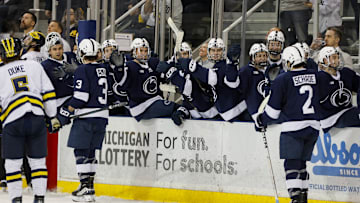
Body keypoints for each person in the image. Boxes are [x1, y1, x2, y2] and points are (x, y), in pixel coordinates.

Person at [257, 46, 320, 203]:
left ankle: (295, 199)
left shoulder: (282, 79)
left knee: (291, 164)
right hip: (313, 128)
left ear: (289, 61)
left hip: (293, 128)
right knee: (301, 164)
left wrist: (261, 120)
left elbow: (273, 113)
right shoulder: (315, 75)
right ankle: (303, 196)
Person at [0, 37, 60, 203]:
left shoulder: (0, 72)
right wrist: (52, 116)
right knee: (38, 162)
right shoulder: (34, 66)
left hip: (13, 121)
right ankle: (39, 198)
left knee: (12, 164)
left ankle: (16, 199)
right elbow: (48, 93)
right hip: (36, 117)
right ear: (20, 51)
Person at [56, 39, 109, 202]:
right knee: (91, 152)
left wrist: (66, 110)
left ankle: (85, 186)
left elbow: (81, 97)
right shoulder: (103, 69)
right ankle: (89, 187)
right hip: (102, 117)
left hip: (87, 116)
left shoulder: (82, 70)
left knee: (80, 151)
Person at [110, 38, 189, 125]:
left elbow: (163, 76)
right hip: (141, 106)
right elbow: (122, 83)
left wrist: (173, 64)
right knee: (178, 109)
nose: (143, 53)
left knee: (179, 110)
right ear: (134, 52)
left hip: (155, 100)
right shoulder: (130, 66)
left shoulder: (152, 62)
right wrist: (119, 69)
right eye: (141, 51)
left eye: (145, 50)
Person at [179, 38, 247, 121]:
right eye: (213, 50)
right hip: (227, 114)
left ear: (223, 51)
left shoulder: (226, 66)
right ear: (209, 51)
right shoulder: (216, 66)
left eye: (218, 50)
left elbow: (228, 81)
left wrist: (193, 67)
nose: (215, 53)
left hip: (238, 112)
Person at [157, 42, 218, 119]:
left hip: (213, 117)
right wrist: (182, 112)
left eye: (185, 54)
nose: (182, 57)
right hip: (198, 120)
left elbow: (189, 91)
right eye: (179, 55)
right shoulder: (180, 74)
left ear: (190, 55)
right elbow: (187, 102)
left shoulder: (197, 72)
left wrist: (171, 73)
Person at [225, 43, 270, 127]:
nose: (262, 59)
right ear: (252, 57)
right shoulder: (246, 71)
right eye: (259, 56)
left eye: (264, 55)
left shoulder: (270, 70)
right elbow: (239, 90)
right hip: (248, 112)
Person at [317, 46, 360, 132]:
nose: (337, 60)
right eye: (334, 57)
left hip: (347, 111)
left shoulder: (346, 73)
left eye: (337, 57)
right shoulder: (319, 78)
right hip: (331, 117)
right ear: (325, 60)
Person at [41, 32, 77, 109]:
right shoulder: (45, 66)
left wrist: (76, 70)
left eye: (60, 48)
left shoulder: (71, 57)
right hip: (59, 102)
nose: (58, 52)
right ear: (49, 51)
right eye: (54, 49)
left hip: (75, 97)